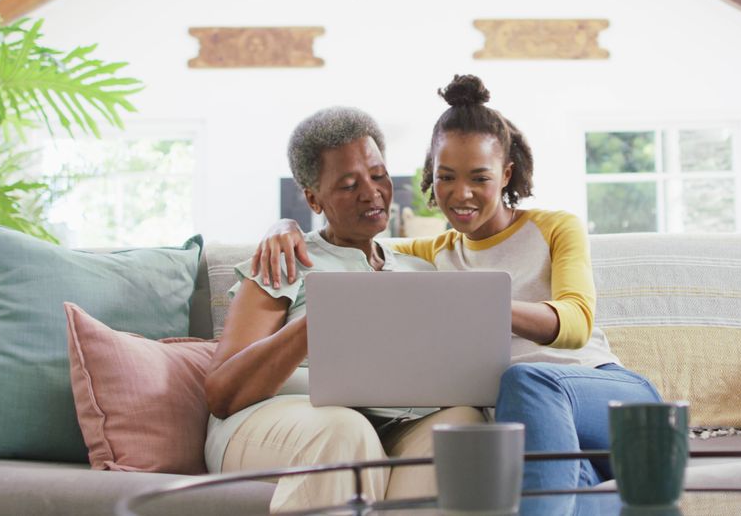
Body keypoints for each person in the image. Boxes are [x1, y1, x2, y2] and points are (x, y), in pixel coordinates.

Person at [252, 75, 662, 494]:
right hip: (532, 428)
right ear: (430, 176)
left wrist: (479, 304)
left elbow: (576, 324)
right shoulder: (430, 255)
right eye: (446, 177)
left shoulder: (555, 227)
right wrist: (284, 227)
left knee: (522, 380)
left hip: (615, 402)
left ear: (506, 174)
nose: (461, 194)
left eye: (479, 178)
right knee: (550, 484)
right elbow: (353, 242)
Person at [205, 106, 483, 513]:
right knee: (345, 429)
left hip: (390, 425)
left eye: (377, 175)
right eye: (348, 184)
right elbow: (222, 394)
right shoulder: (285, 259)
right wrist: (319, 323)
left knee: (461, 424)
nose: (371, 193)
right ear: (313, 198)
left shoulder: (420, 271)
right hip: (273, 423)